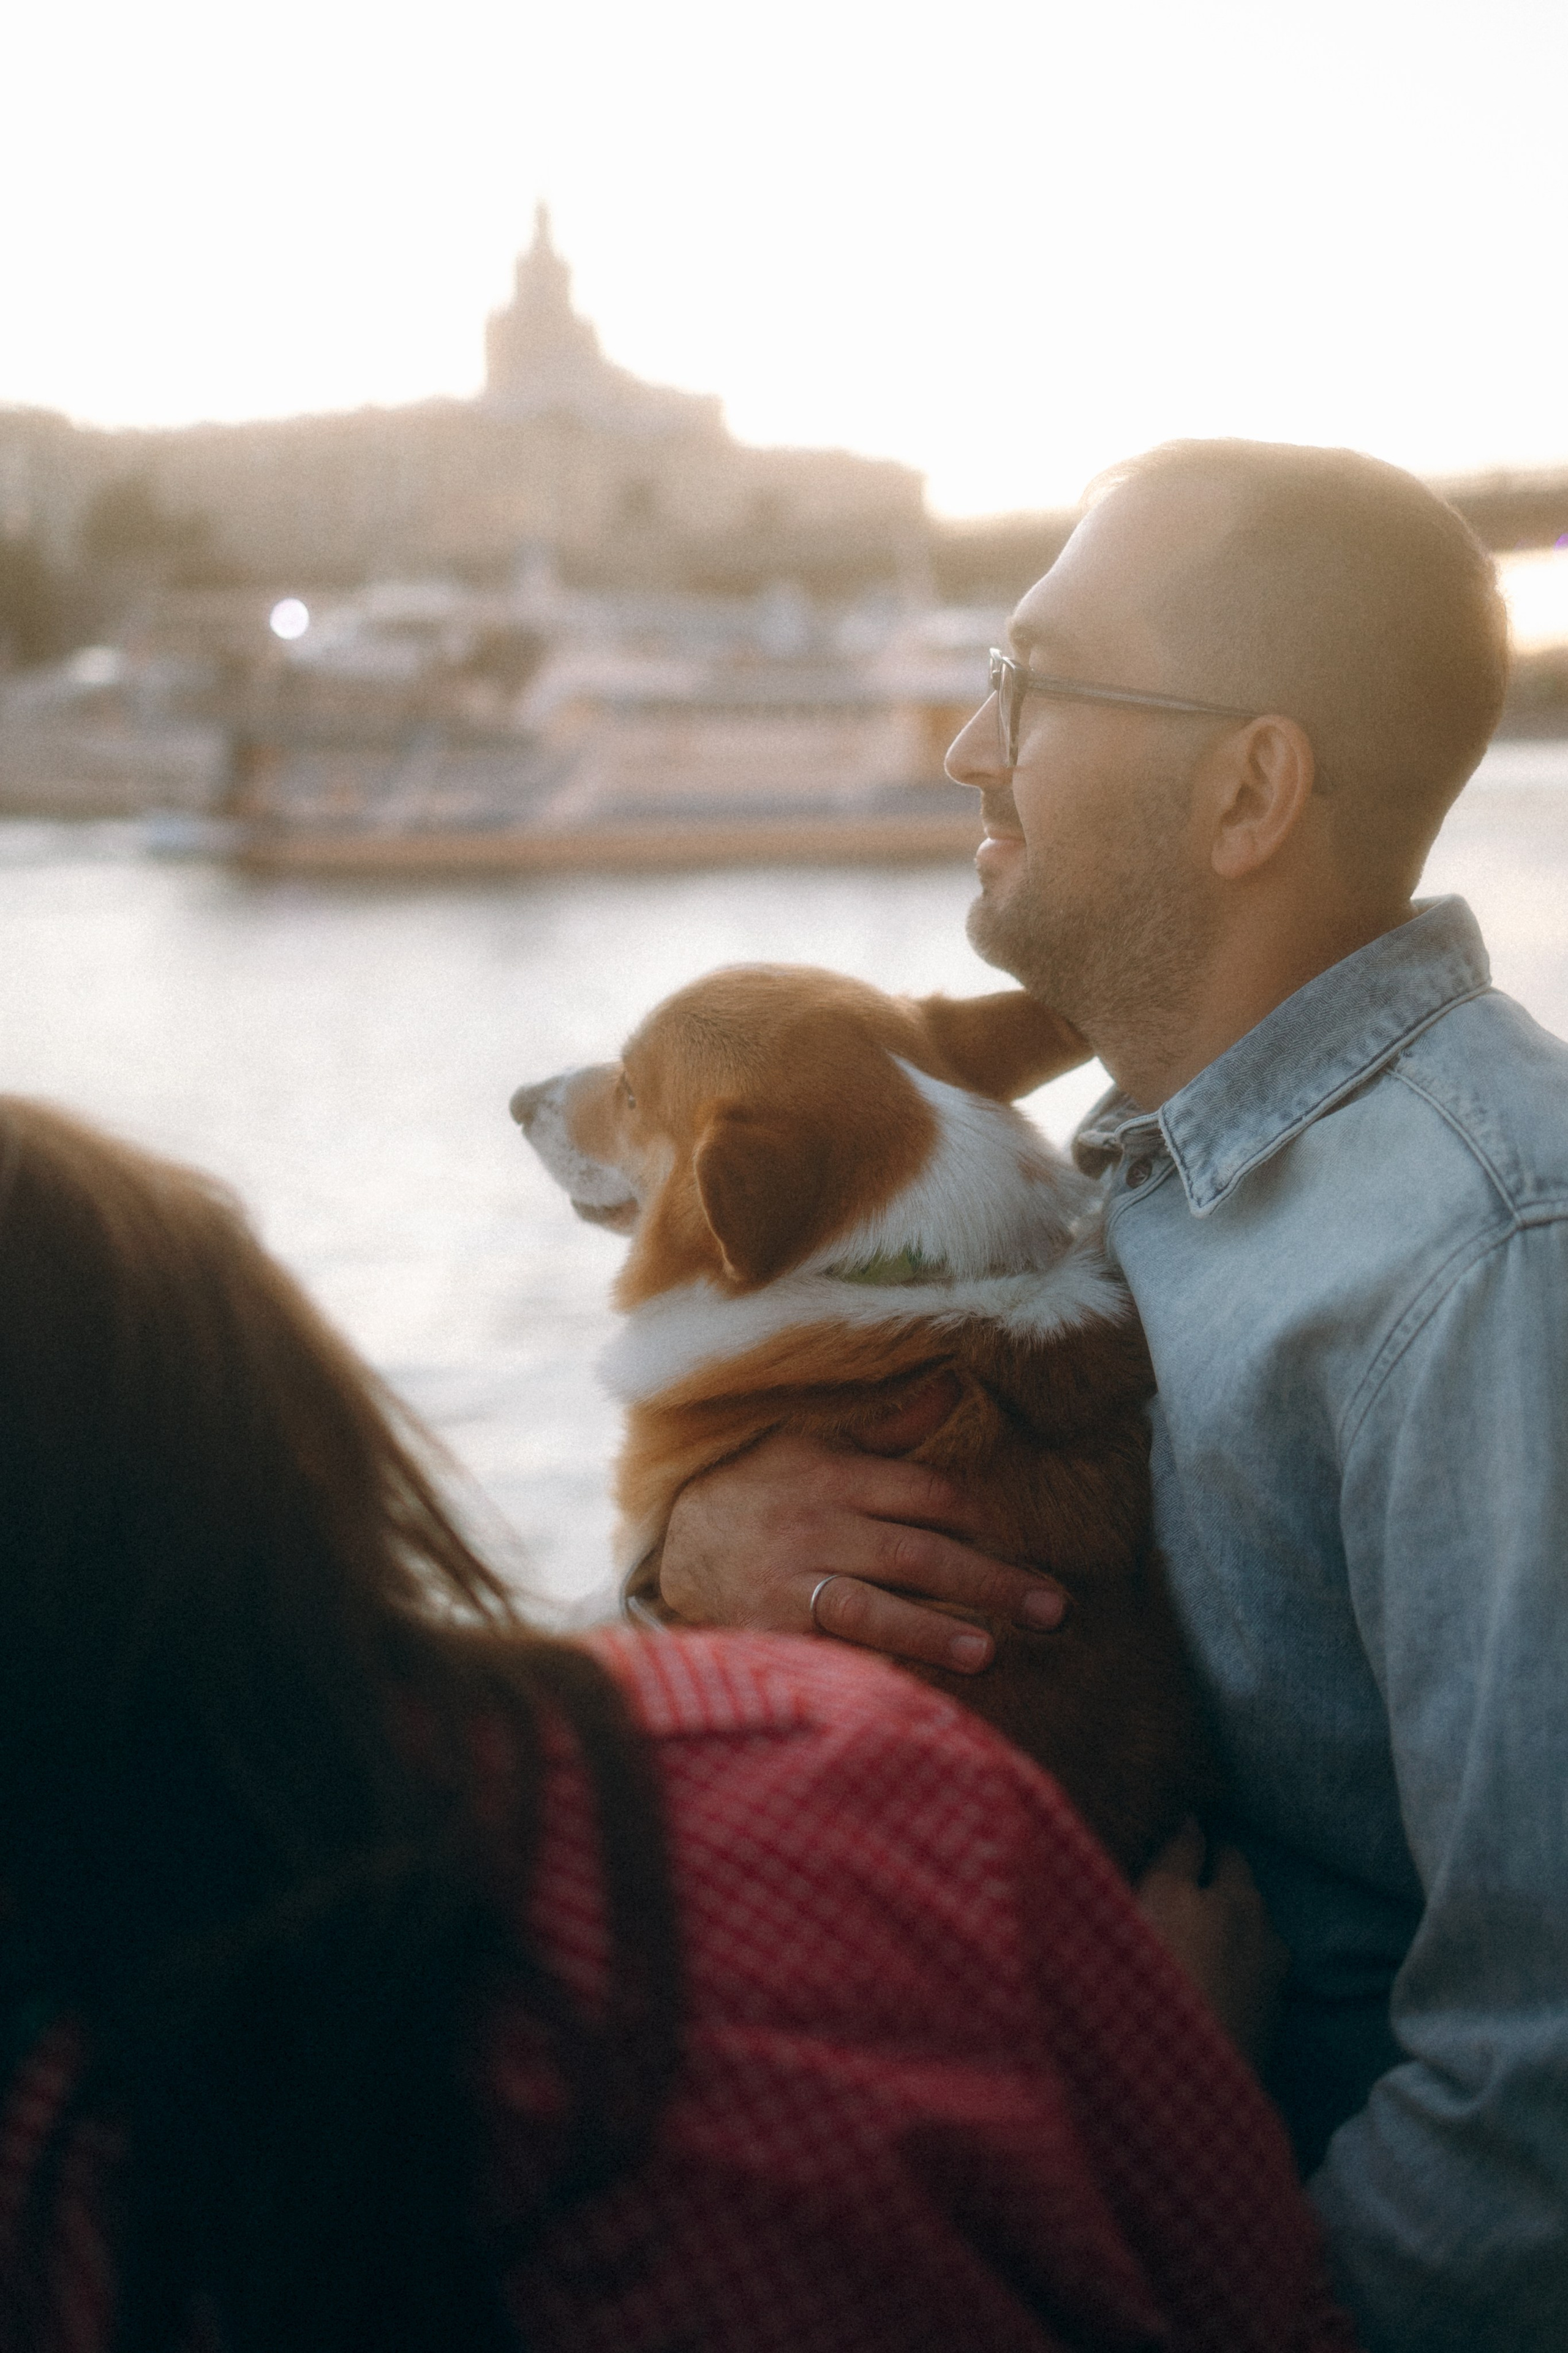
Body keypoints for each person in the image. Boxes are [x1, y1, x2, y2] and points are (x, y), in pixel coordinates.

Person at [653, 440, 1568, 2352]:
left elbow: (1537, 2096)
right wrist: (701, 1545)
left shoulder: (1491, 1261)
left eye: (1030, 683)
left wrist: (1197, 2295)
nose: (964, 749)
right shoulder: (1128, 1180)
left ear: (1249, 792)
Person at [0, 1096, 1355, 2353]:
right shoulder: (834, 1773)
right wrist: (1165, 2093)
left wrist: (676, 1556)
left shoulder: (62, 2181)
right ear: (306, 1432)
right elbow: (1278, 2323)